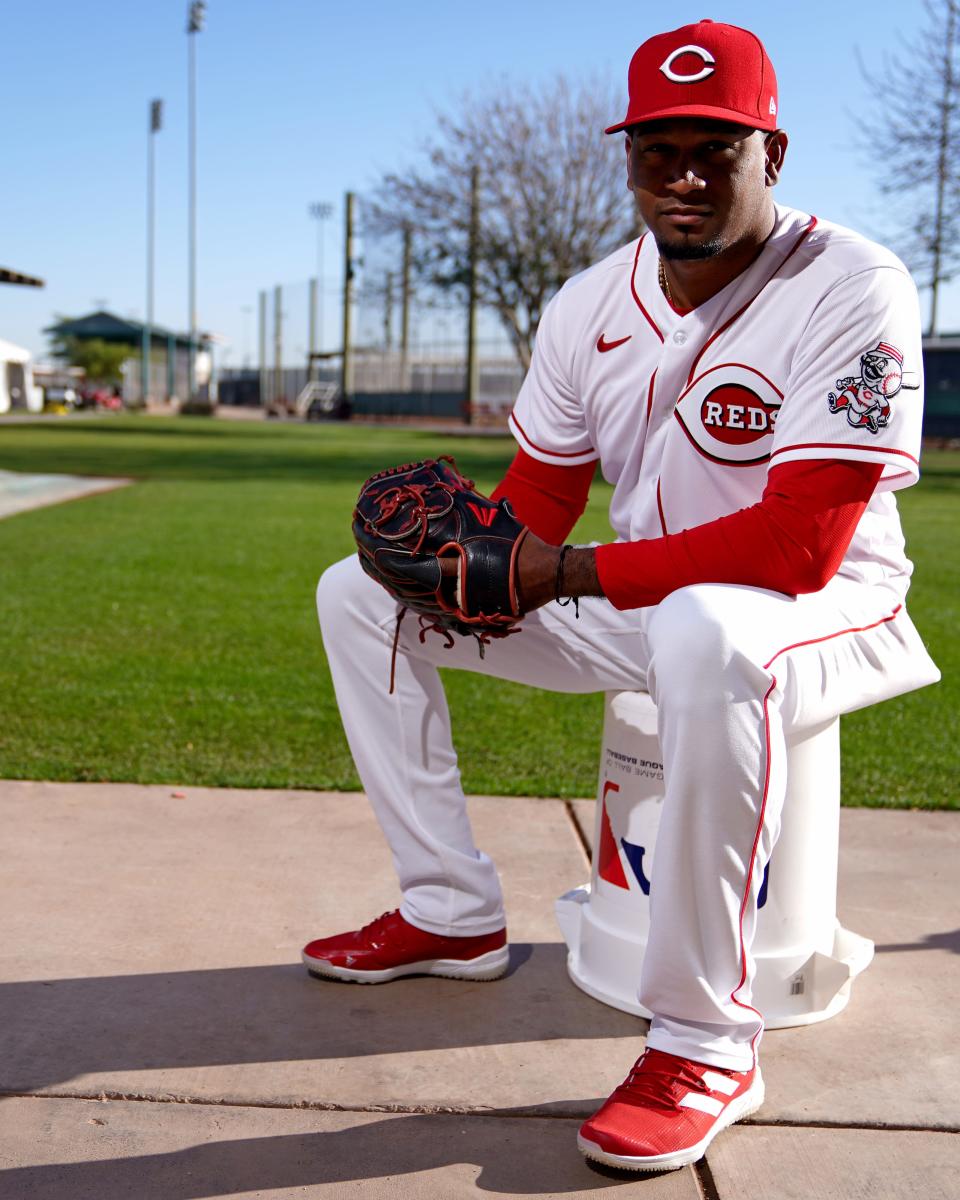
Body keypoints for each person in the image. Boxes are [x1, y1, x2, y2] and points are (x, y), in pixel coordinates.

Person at [305, 20, 940, 1173]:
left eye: (717, 148)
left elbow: (800, 546)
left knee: (710, 626)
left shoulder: (854, 284)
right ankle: (452, 911)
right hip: (643, 605)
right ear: (628, 156)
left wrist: (570, 571)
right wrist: (469, 564)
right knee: (359, 598)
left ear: (773, 151)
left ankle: (704, 1040)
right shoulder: (588, 302)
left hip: (831, 608)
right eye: (659, 150)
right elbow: (535, 513)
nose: (684, 176)